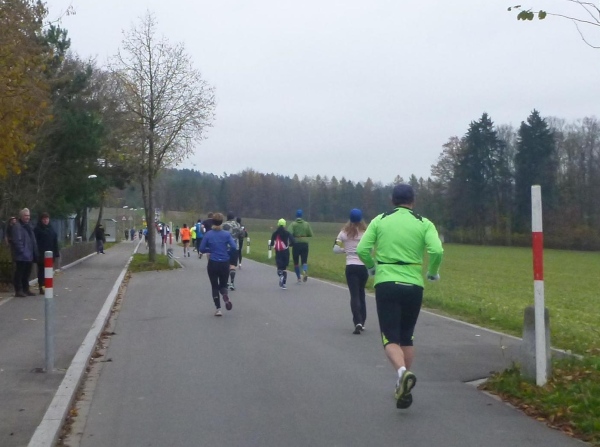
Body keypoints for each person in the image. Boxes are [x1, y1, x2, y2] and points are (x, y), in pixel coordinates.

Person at [356, 184, 443, 410]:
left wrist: (371, 267)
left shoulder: (380, 220)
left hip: (387, 282)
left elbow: (363, 249)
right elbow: (437, 250)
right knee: (407, 337)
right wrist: (432, 272)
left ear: (391, 200)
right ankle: (402, 384)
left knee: (390, 337)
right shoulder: (424, 223)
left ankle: (402, 373)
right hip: (414, 284)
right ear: (413, 201)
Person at [333, 208, 368, 334]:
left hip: (351, 266)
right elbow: (370, 248)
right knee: (361, 293)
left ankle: (357, 321)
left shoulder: (343, 233)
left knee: (354, 295)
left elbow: (335, 249)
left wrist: (345, 250)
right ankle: (362, 321)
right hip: (363, 266)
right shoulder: (366, 232)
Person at [199, 213, 237, 316]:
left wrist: (210, 250)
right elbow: (234, 247)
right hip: (224, 262)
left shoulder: (208, 234)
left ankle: (218, 309)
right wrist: (227, 252)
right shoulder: (226, 234)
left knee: (214, 286)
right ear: (221, 222)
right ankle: (225, 295)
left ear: (212, 221)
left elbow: (201, 248)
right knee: (223, 284)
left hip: (213, 262)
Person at [9, 208, 38, 297]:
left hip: (29, 254)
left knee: (27, 273)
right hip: (21, 255)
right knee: (19, 273)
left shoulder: (29, 226)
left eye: (28, 215)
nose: (27, 217)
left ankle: (26, 289)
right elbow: (17, 241)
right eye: (25, 215)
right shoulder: (17, 227)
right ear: (21, 216)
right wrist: (22, 251)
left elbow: (32, 240)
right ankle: (19, 290)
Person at [34, 212, 60, 295]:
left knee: (48, 272)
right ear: (41, 220)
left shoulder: (51, 229)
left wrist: (56, 253)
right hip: (41, 254)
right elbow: (35, 242)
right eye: (44, 219)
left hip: (50, 254)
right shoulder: (37, 229)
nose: (45, 220)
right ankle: (42, 287)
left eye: (47, 219)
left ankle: (47, 286)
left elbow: (55, 242)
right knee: (41, 272)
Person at [287, 209, 313, 283]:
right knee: (304, 261)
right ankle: (304, 272)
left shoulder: (293, 224)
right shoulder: (306, 224)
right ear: (302, 216)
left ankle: (298, 277)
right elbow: (310, 234)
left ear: (296, 215)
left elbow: (289, 233)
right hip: (304, 244)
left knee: (296, 262)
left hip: (296, 244)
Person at [269, 219, 294, 289]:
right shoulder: (287, 233)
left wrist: (273, 245)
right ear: (285, 225)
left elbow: (271, 243)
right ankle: (284, 284)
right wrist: (290, 245)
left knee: (279, 267)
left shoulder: (275, 233)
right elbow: (293, 241)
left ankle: (280, 275)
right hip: (286, 251)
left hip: (278, 252)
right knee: (284, 268)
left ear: (278, 224)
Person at [222, 212, 243, 290]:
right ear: (233, 217)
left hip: (225, 247)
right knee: (233, 265)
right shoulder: (237, 225)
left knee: (226, 265)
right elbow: (242, 235)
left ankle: (226, 282)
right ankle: (232, 283)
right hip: (235, 247)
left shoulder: (223, 225)